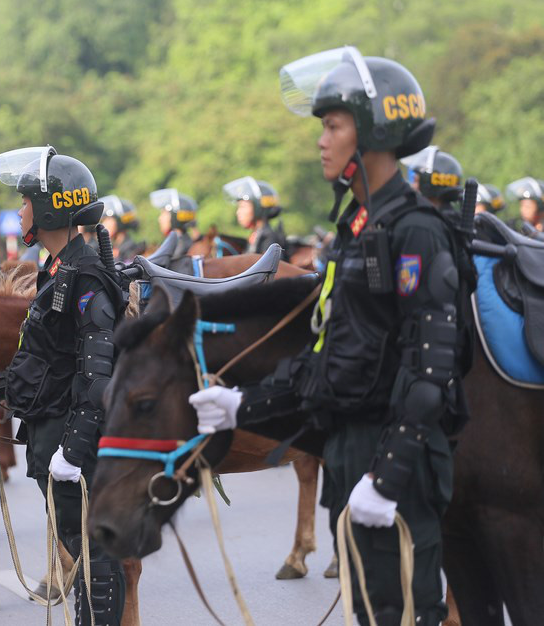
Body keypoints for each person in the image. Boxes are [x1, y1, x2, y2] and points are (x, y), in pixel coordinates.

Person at [191, 47, 468, 624]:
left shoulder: (417, 232)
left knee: (407, 612)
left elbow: (431, 372)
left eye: (333, 125)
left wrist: (386, 479)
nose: (321, 139)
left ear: (370, 133)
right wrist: (242, 403)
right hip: (351, 456)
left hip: (399, 470)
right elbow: (327, 360)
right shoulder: (356, 233)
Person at [0, 146, 127, 625]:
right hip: (53, 437)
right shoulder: (56, 270)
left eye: (26, 201)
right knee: (79, 542)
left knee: (94, 549)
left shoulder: (84, 274)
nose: (20, 210)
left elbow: (96, 373)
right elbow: (48, 363)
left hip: (73, 442)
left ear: (52, 208)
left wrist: (74, 448)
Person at [223, 176, 287, 254]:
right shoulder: (256, 236)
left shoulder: (269, 238)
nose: (238, 212)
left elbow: (270, 265)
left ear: (258, 208)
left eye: (243, 207)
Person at [403, 146, 464, 229]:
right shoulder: (451, 219)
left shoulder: (429, 225)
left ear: (428, 185)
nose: (413, 186)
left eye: (416, 180)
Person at [149, 188, 198, 271]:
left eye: (164, 213)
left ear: (175, 216)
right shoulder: (181, 241)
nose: (160, 219)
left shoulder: (179, 246)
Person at [99, 195, 145, 262]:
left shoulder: (132, 251)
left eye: (108, 219)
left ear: (119, 221)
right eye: (103, 221)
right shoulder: (113, 248)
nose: (104, 224)